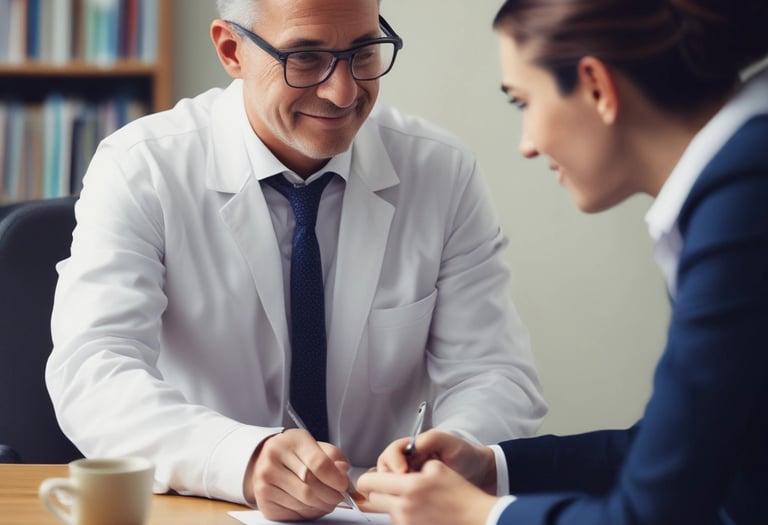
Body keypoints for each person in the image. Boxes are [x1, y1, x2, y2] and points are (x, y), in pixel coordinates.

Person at [44, 0, 547, 520]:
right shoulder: (141, 167)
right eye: (305, 58)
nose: (343, 91)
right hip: (205, 504)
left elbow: (493, 372)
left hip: (385, 512)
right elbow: (92, 369)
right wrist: (241, 457)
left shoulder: (441, 171)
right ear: (231, 50)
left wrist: (454, 449)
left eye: (364, 52)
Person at [356, 0, 768, 524]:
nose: (527, 145)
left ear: (596, 85)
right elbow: (689, 449)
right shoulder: (741, 174)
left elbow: (652, 513)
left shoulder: (744, 199)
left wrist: (479, 517)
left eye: (522, 102)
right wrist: (494, 468)